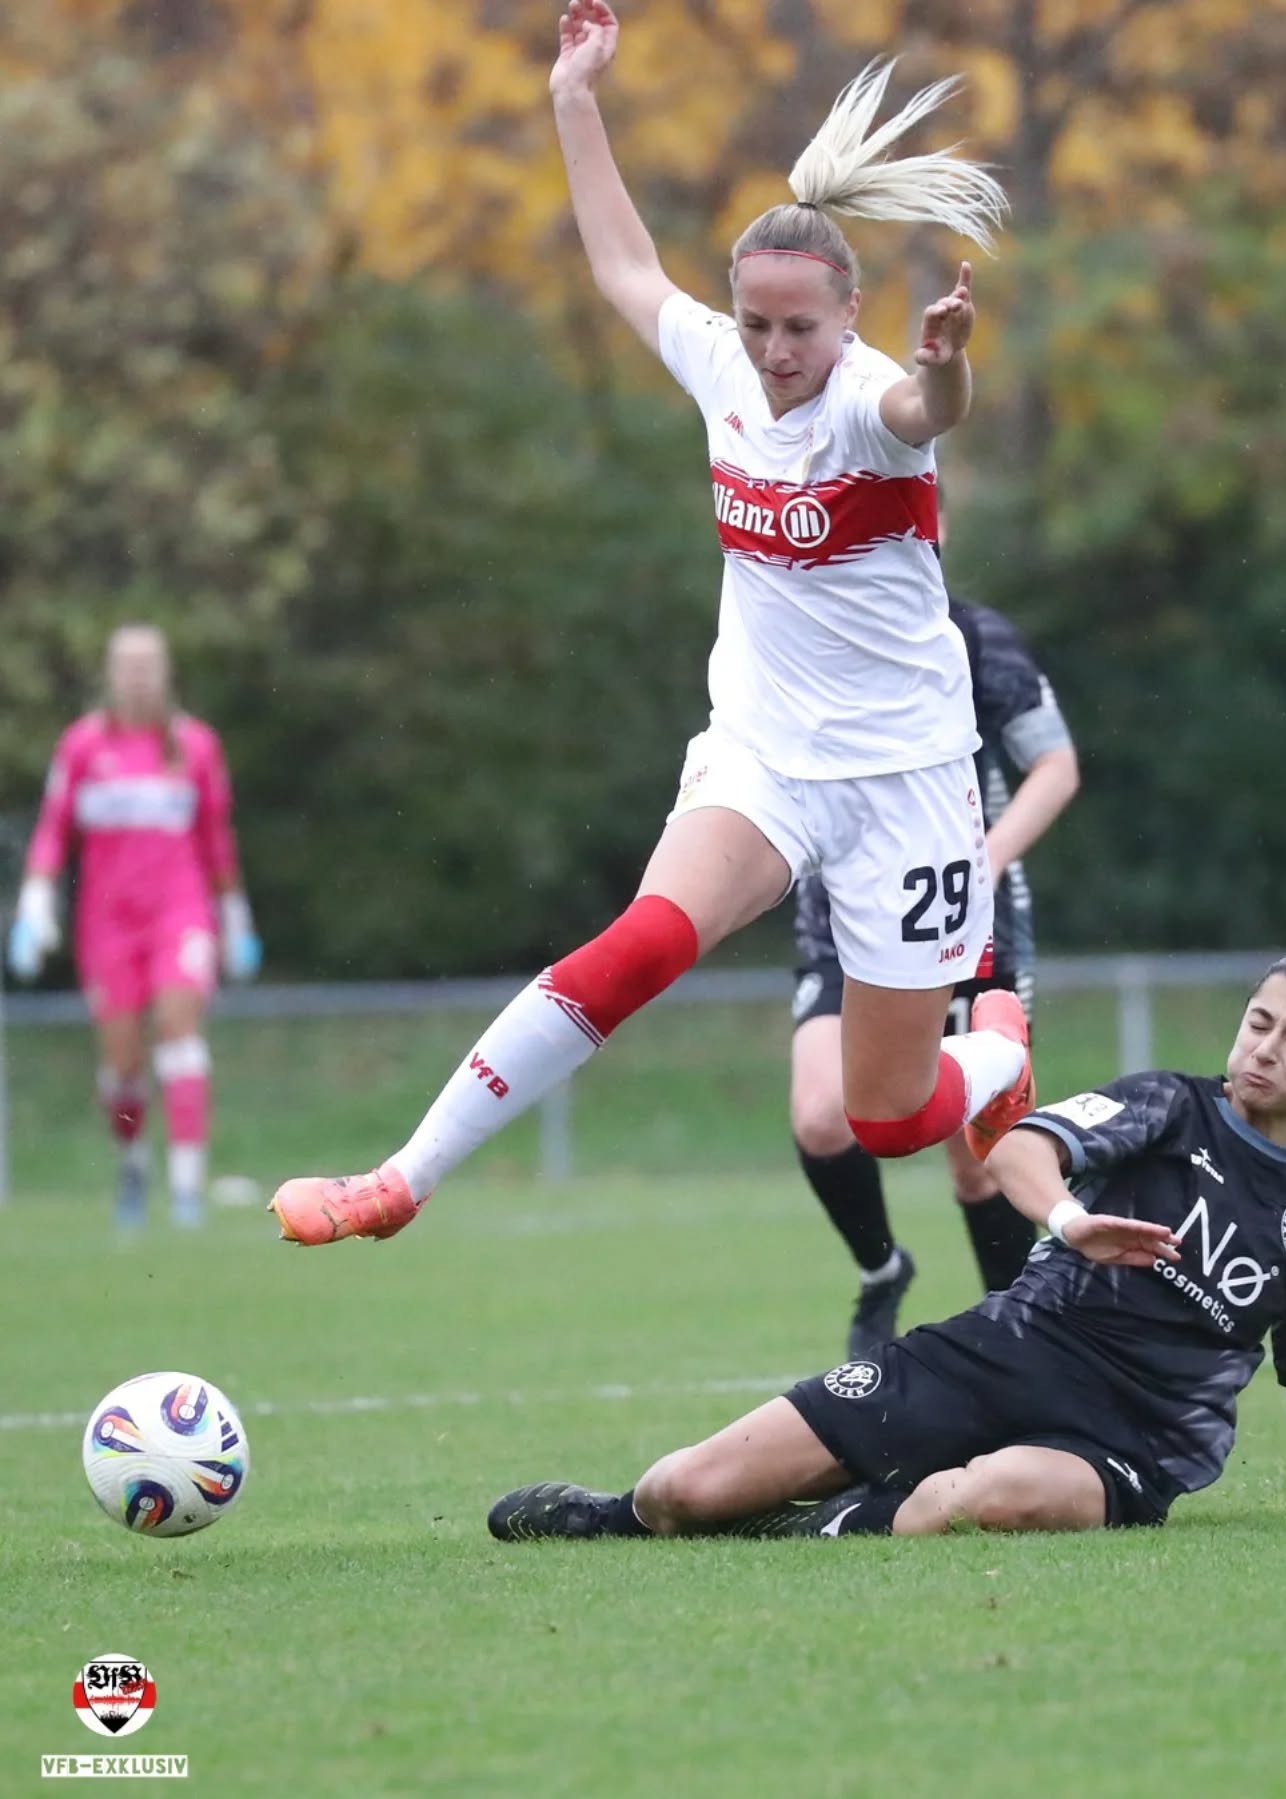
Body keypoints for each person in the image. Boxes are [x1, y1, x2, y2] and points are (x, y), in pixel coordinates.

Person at [269, 0, 1033, 1247]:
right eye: (760, 323)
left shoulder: (862, 405)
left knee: (888, 1116)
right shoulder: (726, 368)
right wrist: (576, 97)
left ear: (847, 317)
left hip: (905, 774)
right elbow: (625, 268)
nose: (778, 349)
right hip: (767, 754)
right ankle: (401, 1178)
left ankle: (1000, 1043)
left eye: (802, 326)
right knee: (641, 944)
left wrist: (948, 357)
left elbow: (925, 407)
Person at [488, 929, 1286, 1540]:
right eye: (1258, 1022)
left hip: (1132, 1437)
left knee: (979, 1500)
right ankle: (615, 1518)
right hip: (998, 1353)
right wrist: (1069, 1218)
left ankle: (817, 1527)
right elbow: (1020, 1147)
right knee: (680, 1492)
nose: (1263, 1048)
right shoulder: (1167, 1104)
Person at [792, 536, 1079, 1355]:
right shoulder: (805, 629)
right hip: (843, 914)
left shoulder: (976, 637)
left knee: (977, 1160)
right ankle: (882, 1269)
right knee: (822, 1116)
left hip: (960, 916)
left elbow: (1055, 766)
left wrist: (983, 857)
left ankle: (1023, 1342)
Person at [8, 624, 263, 1227]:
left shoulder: (196, 746)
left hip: (179, 913)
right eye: (128, 664)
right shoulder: (81, 747)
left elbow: (216, 838)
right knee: (123, 1066)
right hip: (107, 926)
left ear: (166, 672)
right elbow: (52, 828)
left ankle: (186, 1189)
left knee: (179, 1034)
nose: (140, 675)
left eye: (150, 664)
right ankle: (132, 1162)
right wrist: (36, 900)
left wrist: (234, 915)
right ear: (111, 673)